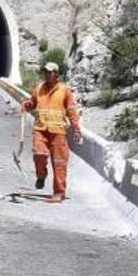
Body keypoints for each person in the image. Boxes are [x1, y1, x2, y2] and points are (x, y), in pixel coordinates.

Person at [22, 62, 81, 203]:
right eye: (45, 72)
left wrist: (76, 129)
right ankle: (41, 175)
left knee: (59, 163)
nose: (47, 74)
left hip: (58, 132)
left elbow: (72, 111)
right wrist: (27, 105)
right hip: (40, 129)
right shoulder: (39, 89)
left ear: (56, 74)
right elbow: (32, 103)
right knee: (39, 154)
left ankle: (59, 193)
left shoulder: (65, 91)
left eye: (50, 72)